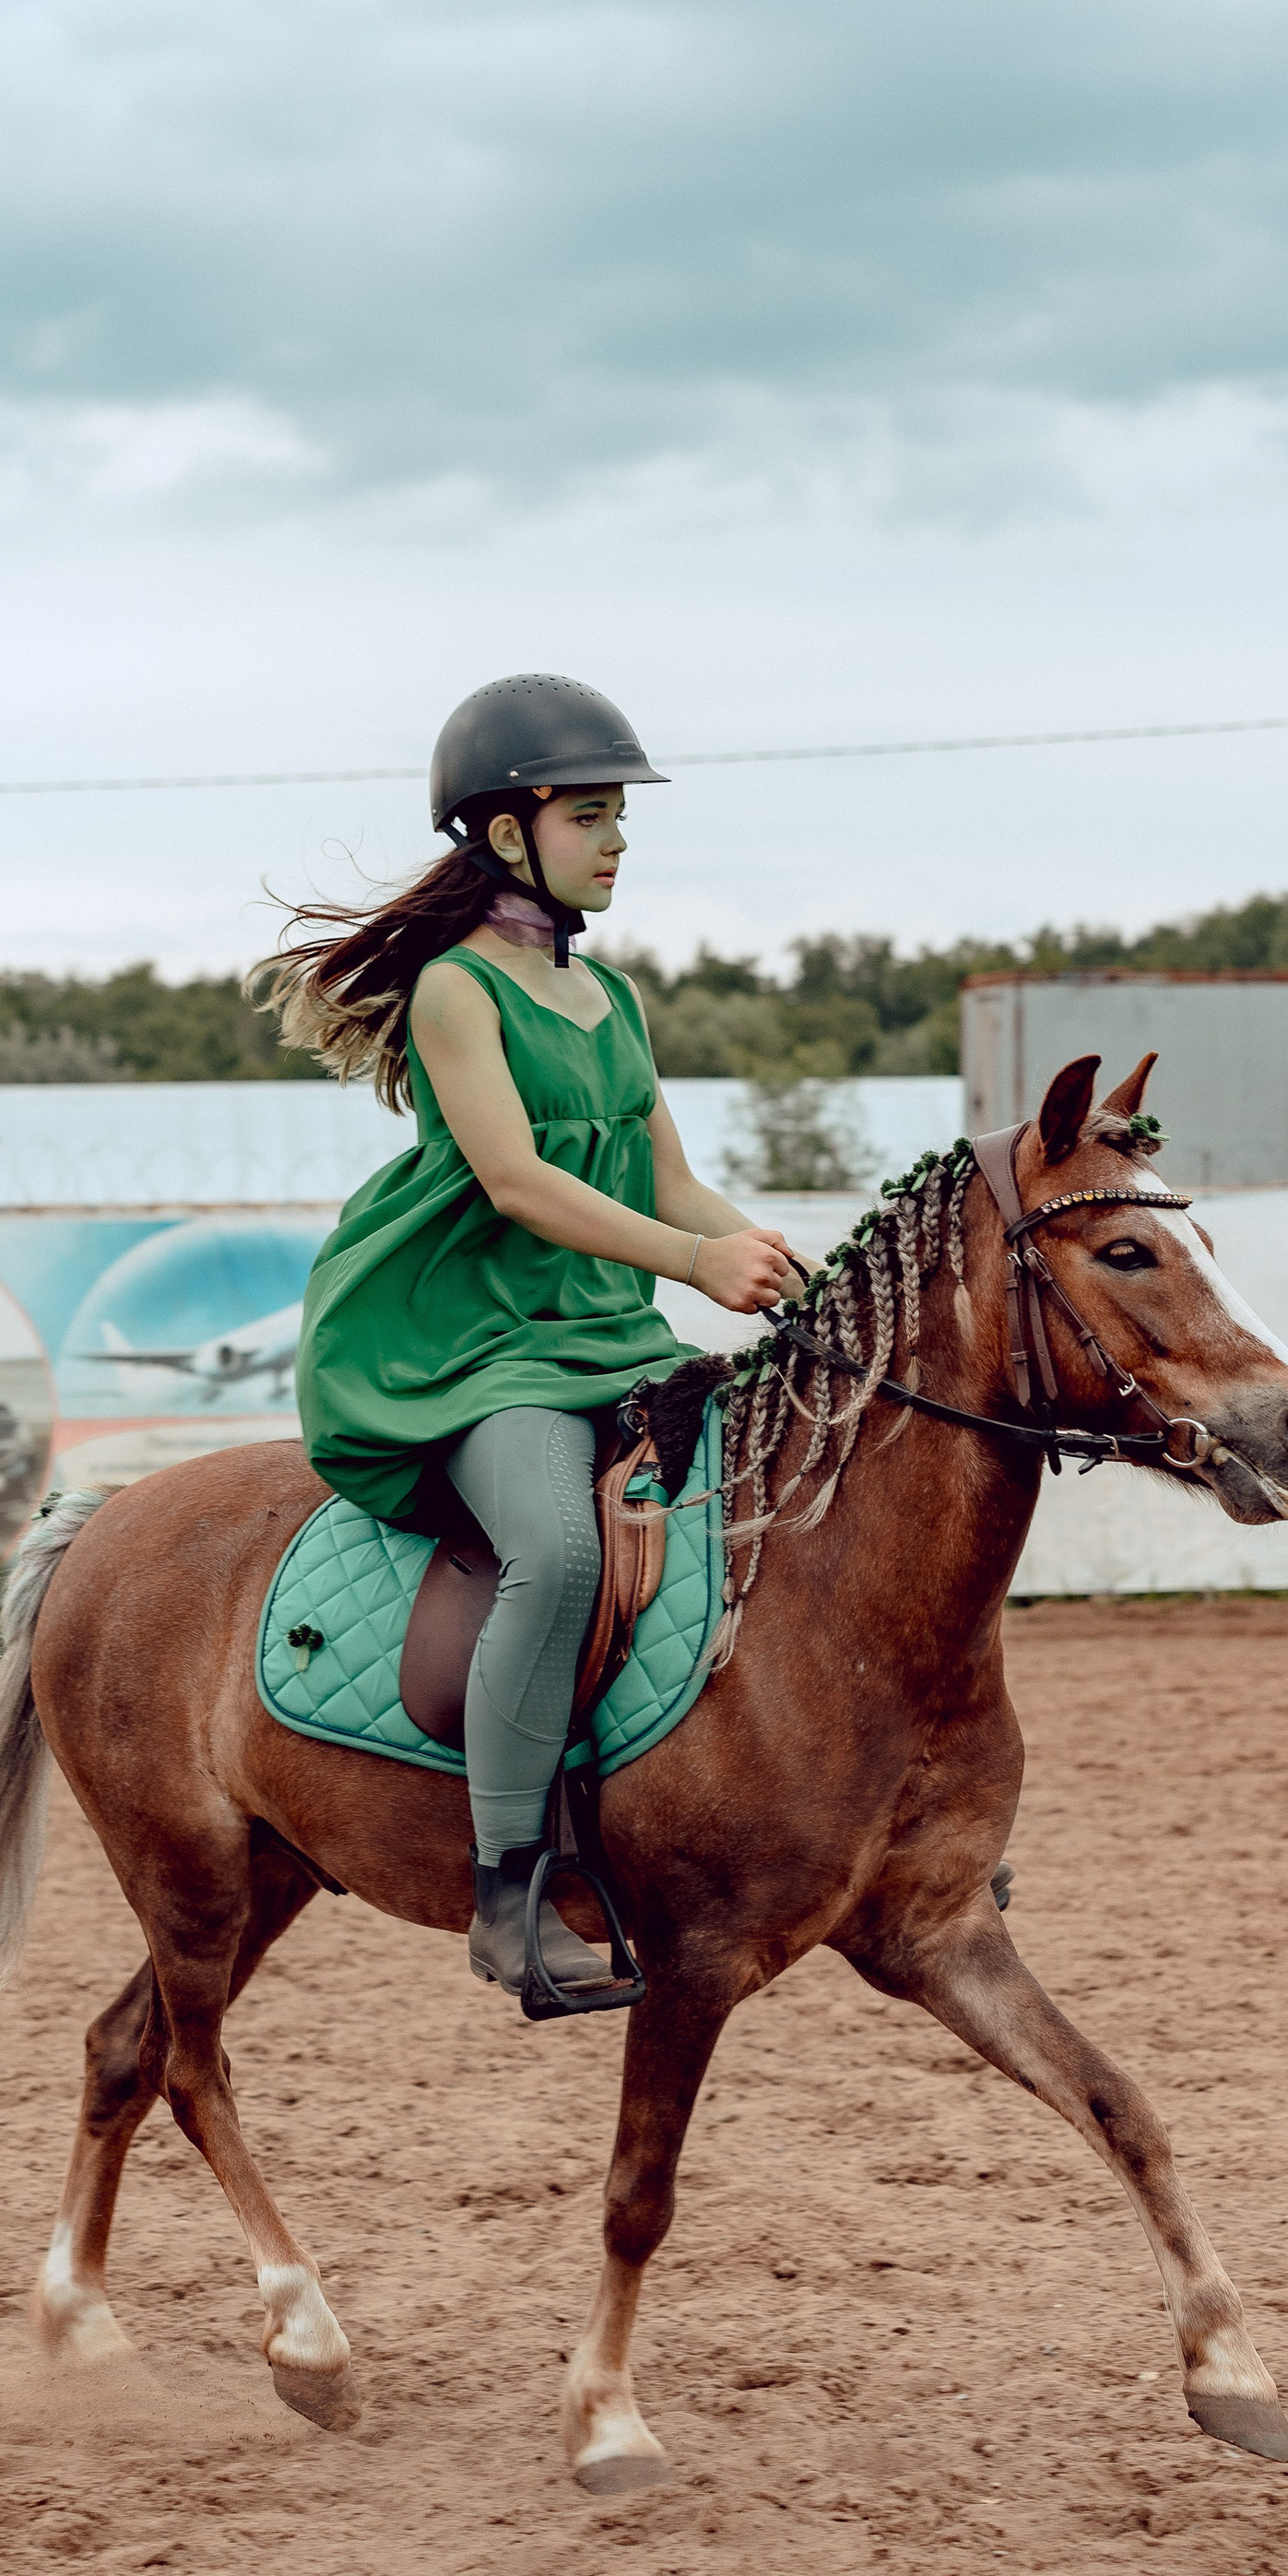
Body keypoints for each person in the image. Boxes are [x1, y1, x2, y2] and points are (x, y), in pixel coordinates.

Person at [261, 674, 798, 2006]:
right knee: (556, 1552)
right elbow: (517, 1184)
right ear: (510, 834)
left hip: (605, 1333)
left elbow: (669, 1181)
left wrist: (801, 1275)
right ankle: (508, 1894)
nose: (619, 843)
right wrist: (691, 1265)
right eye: (594, 818)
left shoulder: (610, 1000)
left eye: (623, 819)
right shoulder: (457, 991)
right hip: (475, 1347)